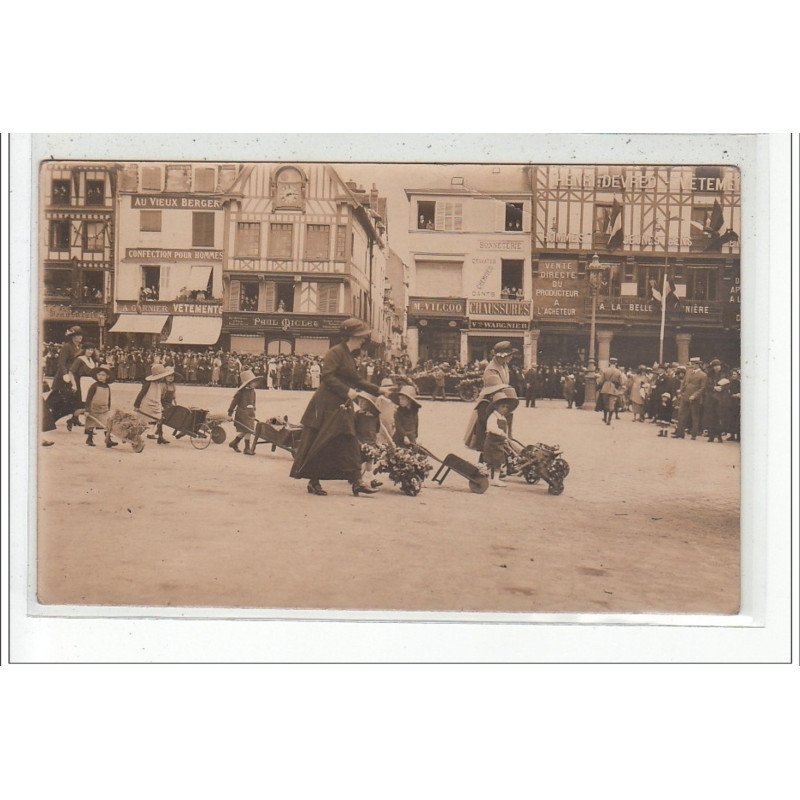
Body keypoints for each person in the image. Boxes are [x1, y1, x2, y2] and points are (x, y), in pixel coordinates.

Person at [290, 318, 392, 496]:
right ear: (351, 336)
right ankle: (314, 481)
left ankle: (356, 481)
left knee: (350, 440)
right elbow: (327, 377)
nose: (363, 341)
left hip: (341, 405)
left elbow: (357, 380)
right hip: (325, 404)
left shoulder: (349, 356)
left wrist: (379, 390)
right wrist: (347, 392)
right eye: (361, 337)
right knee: (320, 442)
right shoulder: (335, 352)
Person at [46, 326, 85, 431]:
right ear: (72, 337)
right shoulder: (67, 347)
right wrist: (65, 374)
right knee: (61, 399)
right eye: (77, 335)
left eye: (81, 335)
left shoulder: (80, 347)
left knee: (76, 398)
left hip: (75, 376)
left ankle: (74, 418)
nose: (80, 337)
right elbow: (61, 362)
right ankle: (49, 419)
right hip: (64, 378)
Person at [482, 388, 519, 487]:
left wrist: (505, 439)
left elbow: (505, 431)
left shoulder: (502, 418)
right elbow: (490, 428)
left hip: (499, 443)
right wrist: (501, 432)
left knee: (498, 461)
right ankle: (488, 475)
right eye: (503, 407)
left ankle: (495, 479)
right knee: (491, 461)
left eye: (506, 407)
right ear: (496, 407)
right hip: (492, 443)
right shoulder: (493, 417)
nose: (505, 409)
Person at [133, 363, 174, 444]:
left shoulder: (160, 384)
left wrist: (161, 405)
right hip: (147, 405)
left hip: (156, 405)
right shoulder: (148, 383)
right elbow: (141, 394)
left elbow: (160, 396)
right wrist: (136, 405)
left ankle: (160, 437)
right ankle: (134, 436)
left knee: (160, 420)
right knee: (142, 422)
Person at [354, 391, 386, 489]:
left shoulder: (375, 417)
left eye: (364, 402)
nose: (361, 404)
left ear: (369, 404)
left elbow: (376, 430)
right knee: (361, 459)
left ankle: (371, 479)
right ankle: (360, 478)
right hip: (361, 441)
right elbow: (354, 429)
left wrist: (377, 442)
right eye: (360, 402)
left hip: (371, 441)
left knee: (369, 460)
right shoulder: (357, 415)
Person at [83, 365, 118, 448]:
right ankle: (89, 439)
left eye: (103, 375)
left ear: (107, 376)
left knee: (107, 424)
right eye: (99, 375)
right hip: (93, 409)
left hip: (104, 410)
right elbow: (88, 398)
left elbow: (108, 398)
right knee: (91, 424)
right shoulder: (94, 386)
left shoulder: (107, 387)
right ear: (96, 376)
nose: (101, 377)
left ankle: (108, 439)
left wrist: (108, 408)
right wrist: (87, 409)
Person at [227, 369, 260, 455]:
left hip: (250, 413)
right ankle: (247, 448)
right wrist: (230, 414)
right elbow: (233, 403)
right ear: (248, 383)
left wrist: (254, 407)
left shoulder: (253, 391)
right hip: (242, 413)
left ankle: (234, 443)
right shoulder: (241, 392)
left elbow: (253, 401)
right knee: (249, 430)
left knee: (246, 430)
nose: (255, 384)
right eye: (253, 382)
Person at [673, 357, 706, 439]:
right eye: (692, 364)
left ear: (698, 365)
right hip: (685, 396)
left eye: (695, 364)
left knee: (694, 415)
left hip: (694, 398)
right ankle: (680, 433)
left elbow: (702, 388)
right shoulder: (688, 372)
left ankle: (694, 434)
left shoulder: (703, 375)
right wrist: (681, 392)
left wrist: (695, 395)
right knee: (681, 414)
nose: (693, 365)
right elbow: (683, 383)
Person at [597, 357, 623, 426]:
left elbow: (600, 381)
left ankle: (605, 418)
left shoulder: (605, 370)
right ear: (616, 363)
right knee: (612, 405)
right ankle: (609, 420)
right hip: (614, 389)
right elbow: (621, 382)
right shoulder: (618, 371)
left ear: (609, 363)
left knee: (605, 405)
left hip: (605, 388)